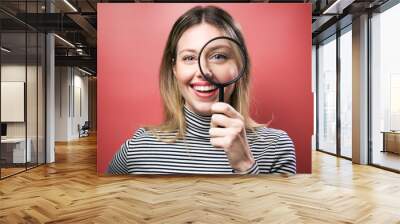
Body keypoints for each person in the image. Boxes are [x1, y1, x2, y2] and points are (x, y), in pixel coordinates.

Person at [107, 5, 296, 175]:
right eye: (189, 58)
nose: (204, 71)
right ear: (174, 68)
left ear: (240, 66)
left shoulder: (276, 147)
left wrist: (245, 165)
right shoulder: (140, 146)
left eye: (219, 56)